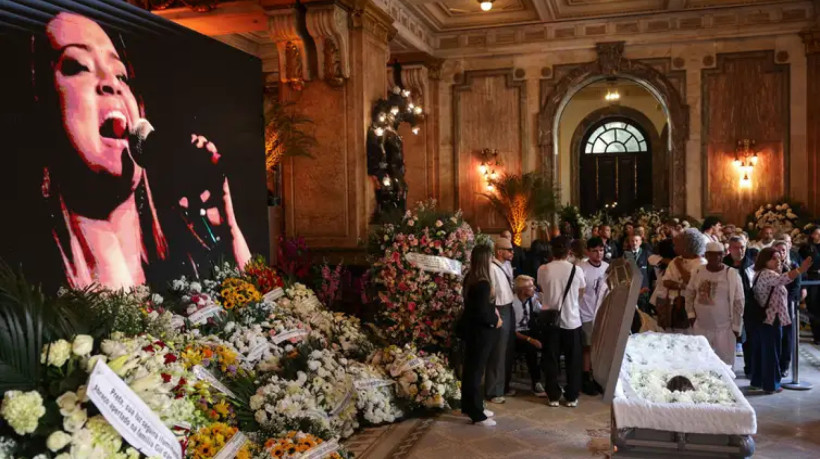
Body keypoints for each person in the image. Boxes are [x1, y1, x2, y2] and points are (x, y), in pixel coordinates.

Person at [30, 12, 250, 289]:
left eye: (121, 75)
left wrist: (228, 225)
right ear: (43, 106)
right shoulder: (30, 292)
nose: (111, 83)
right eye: (79, 66)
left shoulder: (181, 257)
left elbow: (253, 300)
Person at [750, 248, 812, 394]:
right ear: (765, 261)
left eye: (780, 258)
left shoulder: (762, 273)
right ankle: (772, 385)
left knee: (762, 352)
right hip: (770, 319)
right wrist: (800, 270)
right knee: (771, 353)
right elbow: (782, 279)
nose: (779, 261)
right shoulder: (767, 273)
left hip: (766, 319)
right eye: (774, 259)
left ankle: (758, 381)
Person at [537, 236, 586, 408]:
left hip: (550, 321)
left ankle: (553, 396)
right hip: (572, 320)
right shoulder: (576, 270)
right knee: (573, 360)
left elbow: (542, 289)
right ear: (569, 251)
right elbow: (582, 292)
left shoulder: (543, 269)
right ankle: (572, 396)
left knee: (551, 359)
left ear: (552, 251)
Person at [460, 244, 502, 426]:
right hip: (481, 332)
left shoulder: (470, 278)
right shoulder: (483, 284)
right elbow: (483, 313)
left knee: (471, 370)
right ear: (486, 259)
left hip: (472, 331)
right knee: (476, 372)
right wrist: (496, 320)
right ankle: (477, 414)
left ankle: (471, 405)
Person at [684, 242, 744, 368]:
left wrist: (737, 326)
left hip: (725, 328)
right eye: (712, 255)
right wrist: (691, 314)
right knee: (701, 363)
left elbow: (739, 301)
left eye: (719, 255)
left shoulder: (731, 273)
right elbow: (689, 293)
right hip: (701, 326)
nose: (716, 258)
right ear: (706, 255)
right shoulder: (698, 271)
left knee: (725, 366)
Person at [650, 228, 706, 331]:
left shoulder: (701, 263)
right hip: (670, 305)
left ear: (687, 246)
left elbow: (691, 282)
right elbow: (666, 281)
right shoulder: (675, 260)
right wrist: (681, 285)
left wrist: (680, 267)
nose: (674, 247)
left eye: (677, 244)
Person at [723, 236, 759, 377]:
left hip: (748, 308)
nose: (740, 250)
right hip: (726, 308)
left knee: (748, 340)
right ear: (730, 249)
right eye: (736, 247)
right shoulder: (723, 265)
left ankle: (750, 369)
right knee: (727, 340)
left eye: (743, 247)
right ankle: (726, 369)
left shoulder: (751, 265)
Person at [486, 237, 516, 403]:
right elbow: (491, 292)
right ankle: (493, 391)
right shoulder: (491, 267)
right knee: (497, 351)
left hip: (508, 306)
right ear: (499, 251)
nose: (512, 252)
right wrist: (495, 313)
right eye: (509, 250)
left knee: (506, 350)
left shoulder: (507, 265)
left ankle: (502, 386)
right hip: (499, 309)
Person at [578, 237, 609, 395]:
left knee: (601, 347)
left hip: (602, 313)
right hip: (585, 312)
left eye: (601, 250)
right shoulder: (581, 268)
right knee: (588, 347)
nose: (599, 254)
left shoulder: (607, 267)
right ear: (588, 252)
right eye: (595, 251)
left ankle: (598, 377)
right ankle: (585, 377)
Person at [510, 275, 546, 397]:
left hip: (529, 330)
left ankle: (547, 379)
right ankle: (536, 383)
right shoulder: (512, 303)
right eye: (531, 286)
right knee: (531, 349)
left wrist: (544, 301)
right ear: (522, 290)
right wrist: (530, 340)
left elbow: (541, 311)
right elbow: (512, 330)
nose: (534, 288)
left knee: (550, 342)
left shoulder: (532, 299)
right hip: (516, 335)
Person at [773, 239, 802, 378]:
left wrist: (786, 301)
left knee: (787, 337)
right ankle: (774, 364)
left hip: (788, 306)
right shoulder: (770, 267)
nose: (781, 253)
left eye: (783, 250)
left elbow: (796, 287)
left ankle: (784, 365)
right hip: (772, 306)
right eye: (778, 250)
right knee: (774, 336)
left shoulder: (793, 266)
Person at [799, 226, 820, 344]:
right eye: (817, 233)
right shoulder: (805, 248)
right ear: (812, 235)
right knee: (813, 307)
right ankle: (816, 335)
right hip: (811, 278)